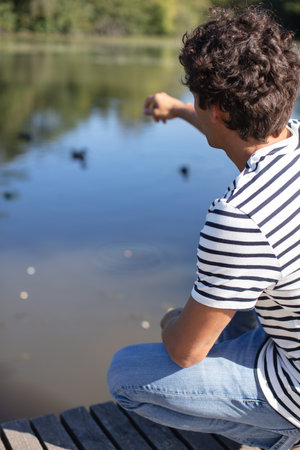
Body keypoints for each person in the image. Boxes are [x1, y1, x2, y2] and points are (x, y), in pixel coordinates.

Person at [107, 6, 300, 449]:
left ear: (214, 108)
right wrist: (177, 109)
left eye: (196, 100)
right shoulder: (293, 138)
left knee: (125, 374)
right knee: (239, 299)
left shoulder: (240, 216)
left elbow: (185, 351)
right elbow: (235, 128)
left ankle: (285, 433)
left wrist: (171, 321)